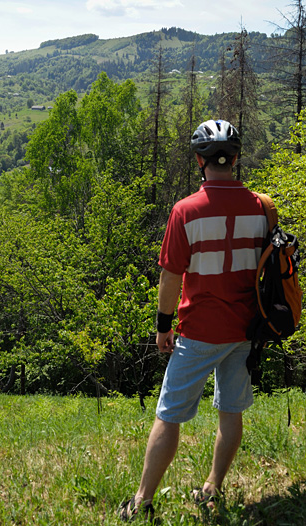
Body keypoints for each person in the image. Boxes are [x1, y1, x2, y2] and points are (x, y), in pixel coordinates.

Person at [119, 119, 271, 519]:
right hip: (244, 330)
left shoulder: (185, 211)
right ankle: (213, 485)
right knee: (230, 410)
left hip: (199, 332)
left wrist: (163, 326)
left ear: (200, 161)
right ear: (235, 159)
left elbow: (171, 275)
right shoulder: (261, 207)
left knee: (169, 414)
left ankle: (143, 500)